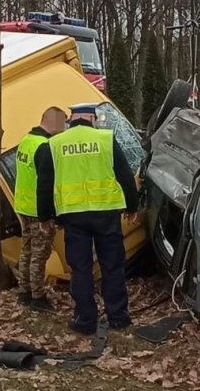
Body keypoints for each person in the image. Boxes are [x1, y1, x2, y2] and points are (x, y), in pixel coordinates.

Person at [35, 103, 139, 335]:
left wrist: (45, 216)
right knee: (112, 266)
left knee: (80, 269)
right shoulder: (105, 139)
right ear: (91, 118)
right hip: (106, 213)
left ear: (72, 118)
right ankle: (118, 317)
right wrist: (132, 205)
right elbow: (125, 174)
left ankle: (85, 320)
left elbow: (44, 184)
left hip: (73, 217)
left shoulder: (53, 144)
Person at [13, 106, 68, 312]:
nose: (63, 128)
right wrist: (47, 216)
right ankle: (38, 297)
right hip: (38, 211)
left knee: (26, 250)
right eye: (63, 123)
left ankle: (25, 291)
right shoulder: (44, 147)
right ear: (55, 123)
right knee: (40, 254)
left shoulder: (26, 140)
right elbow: (45, 185)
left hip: (23, 206)